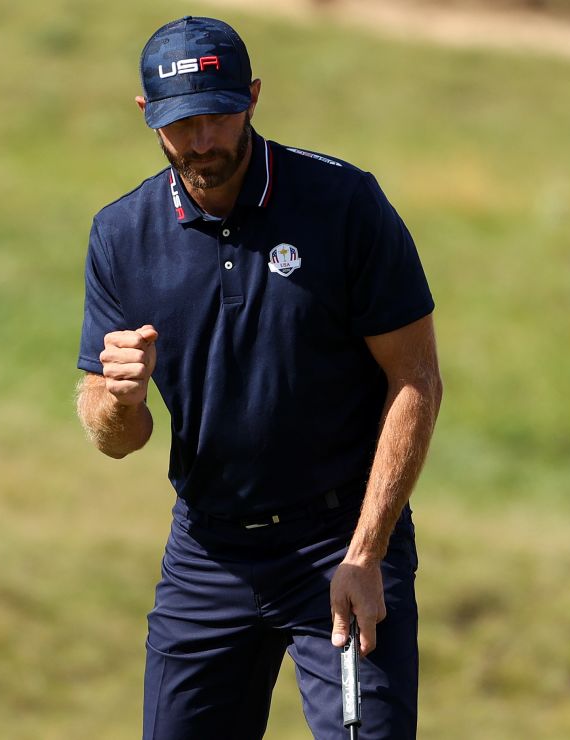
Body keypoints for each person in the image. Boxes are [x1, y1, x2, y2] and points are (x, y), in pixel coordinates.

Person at [75, 16, 442, 740]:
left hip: (340, 541)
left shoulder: (343, 205)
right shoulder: (121, 234)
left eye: (218, 114)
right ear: (148, 117)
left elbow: (416, 379)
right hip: (209, 550)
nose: (203, 141)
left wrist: (366, 553)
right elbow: (119, 439)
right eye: (183, 123)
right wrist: (117, 399)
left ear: (254, 98)